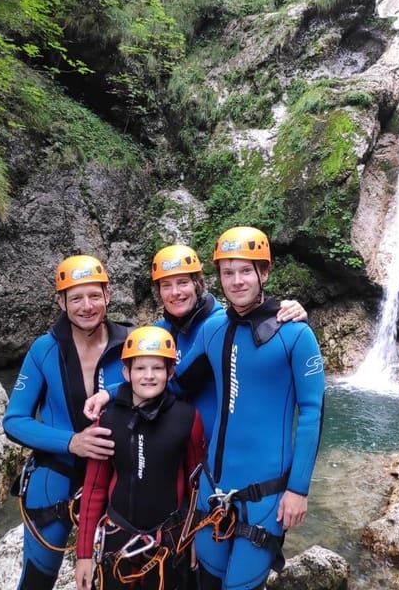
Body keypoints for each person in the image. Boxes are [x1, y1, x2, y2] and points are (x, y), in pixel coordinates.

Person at [192, 226, 325, 590]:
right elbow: (171, 382)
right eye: (228, 272)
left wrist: (298, 490)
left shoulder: (295, 333)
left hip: (265, 498)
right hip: (211, 491)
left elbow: (312, 413)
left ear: (264, 273)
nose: (237, 281)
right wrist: (112, 393)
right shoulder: (212, 329)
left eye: (246, 270)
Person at [83, 244, 307, 445]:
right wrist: (109, 394)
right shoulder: (158, 333)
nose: (175, 293)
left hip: (222, 449)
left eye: (183, 283)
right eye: (166, 285)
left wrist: (283, 310)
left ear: (197, 284)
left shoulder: (221, 325)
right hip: (177, 445)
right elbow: (160, 382)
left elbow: (256, 325)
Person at [3, 255, 132, 590]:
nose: (86, 306)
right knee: (36, 579)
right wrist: (72, 442)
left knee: (118, 578)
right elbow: (14, 420)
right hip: (56, 472)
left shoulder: (132, 344)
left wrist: (114, 392)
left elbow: (169, 380)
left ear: (108, 294)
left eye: (93, 295)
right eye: (75, 298)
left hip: (118, 474)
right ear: (60, 301)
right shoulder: (44, 349)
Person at [74, 326, 205, 590]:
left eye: (157, 368)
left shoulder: (187, 418)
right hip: (117, 538)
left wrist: (196, 539)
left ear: (170, 372)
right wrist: (84, 555)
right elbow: (95, 487)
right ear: (126, 372)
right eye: (140, 368)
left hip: (169, 540)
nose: (148, 376)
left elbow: (197, 485)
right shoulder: (108, 419)